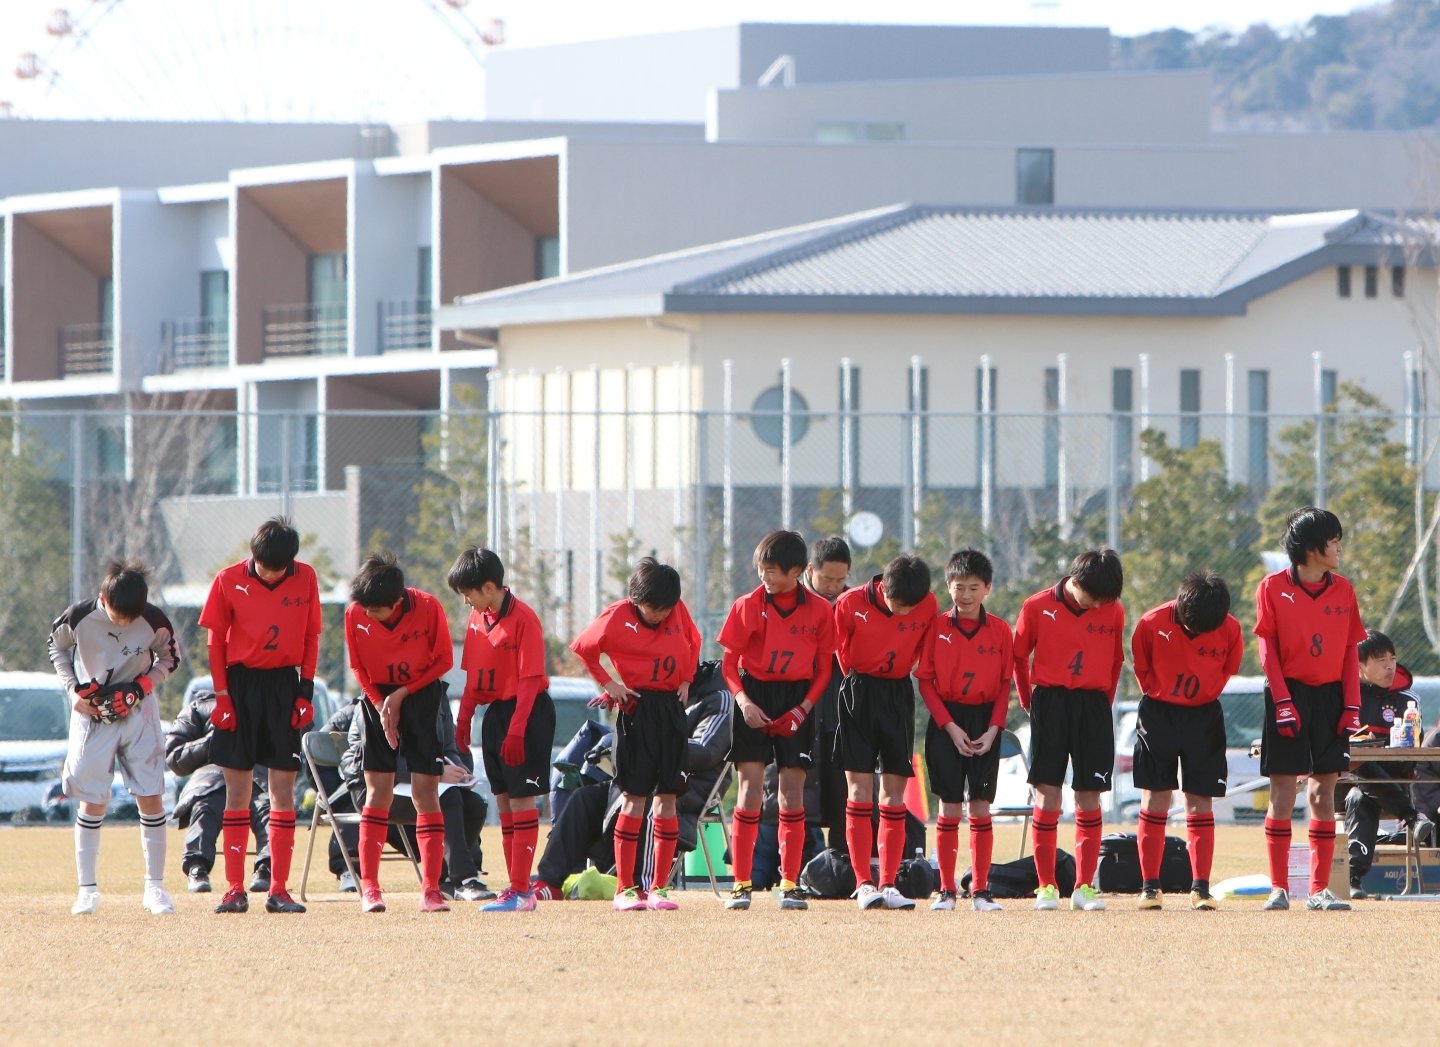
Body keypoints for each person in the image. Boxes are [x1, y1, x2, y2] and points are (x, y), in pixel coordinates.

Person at [200, 515, 322, 914]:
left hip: (283, 689)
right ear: (252, 556)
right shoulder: (227, 579)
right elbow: (216, 641)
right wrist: (222, 696)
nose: (270, 573)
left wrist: (305, 691)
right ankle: (234, 889)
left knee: (282, 792)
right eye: (264, 565)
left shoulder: (306, 578)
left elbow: (310, 636)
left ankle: (279, 889)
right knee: (238, 791)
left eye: (278, 567)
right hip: (239, 686)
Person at [48, 559, 182, 916]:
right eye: (118, 614)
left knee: (151, 795)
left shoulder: (153, 619)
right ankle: (87, 891)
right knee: (93, 799)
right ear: (103, 597)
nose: (125, 622)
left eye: (131, 616)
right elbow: (56, 648)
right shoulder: (78, 617)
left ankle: (155, 888)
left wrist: (141, 687)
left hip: (140, 713)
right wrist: (74, 691)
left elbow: (170, 658)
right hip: (93, 712)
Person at [571, 556, 702, 911]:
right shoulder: (616, 616)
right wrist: (610, 684)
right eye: (652, 607)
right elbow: (584, 649)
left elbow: (694, 639)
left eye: (665, 608)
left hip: (671, 712)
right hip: (637, 710)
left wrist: (688, 679)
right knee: (635, 798)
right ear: (634, 599)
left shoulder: (678, 612)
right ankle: (626, 889)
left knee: (668, 798)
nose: (660, 614)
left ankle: (659, 888)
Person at [533, 666, 731, 896]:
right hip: (644, 779)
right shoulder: (653, 690)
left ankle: (641, 886)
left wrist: (657, 747)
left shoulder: (717, 699)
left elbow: (707, 751)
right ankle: (550, 882)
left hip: (686, 788)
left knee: (649, 804)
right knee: (583, 799)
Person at [1254, 506, 1366, 912]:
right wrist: (1282, 701)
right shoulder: (1271, 587)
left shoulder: (1345, 589)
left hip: (1331, 697)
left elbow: (1351, 650)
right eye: (1332, 541)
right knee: (1282, 791)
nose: (1338, 547)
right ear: (1311, 548)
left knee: (1324, 791)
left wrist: (1352, 705)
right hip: (1289, 694)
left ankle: (1319, 890)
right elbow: (1266, 649)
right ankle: (1278, 888)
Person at [718, 529, 836, 912]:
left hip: (796, 698)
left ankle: (789, 883)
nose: (764, 577)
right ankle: (740, 883)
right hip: (753, 695)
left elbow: (823, 669)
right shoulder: (747, 604)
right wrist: (744, 702)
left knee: (791, 793)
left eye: (772, 571)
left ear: (797, 571)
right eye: (761, 569)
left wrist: (802, 709)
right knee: (750, 789)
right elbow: (729, 665)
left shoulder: (819, 610)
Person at [1013, 548, 1125, 912]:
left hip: (1092, 706)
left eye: (1104, 601)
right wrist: (1028, 699)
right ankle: (1046, 887)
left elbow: (1115, 659)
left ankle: (1083, 887)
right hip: (1050, 703)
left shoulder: (1113, 609)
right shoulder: (1036, 605)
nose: (1098, 606)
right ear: (1075, 582)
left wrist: (1102, 702)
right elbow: (1018, 655)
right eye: (1093, 598)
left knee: (1090, 796)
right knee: (1048, 796)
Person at [344, 552, 455, 913]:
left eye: (377, 611)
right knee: (378, 792)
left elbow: (444, 661)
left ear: (396, 602)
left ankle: (431, 889)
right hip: (377, 699)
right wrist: (380, 705)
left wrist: (402, 694)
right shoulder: (355, 612)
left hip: (421, 697)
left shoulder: (428, 606)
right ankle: (371, 889)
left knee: (426, 791)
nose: (369, 616)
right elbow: (358, 666)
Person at [448, 546, 555, 912]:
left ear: (490, 587)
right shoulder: (478, 620)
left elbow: (529, 681)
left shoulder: (525, 618)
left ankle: (522, 891)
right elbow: (474, 677)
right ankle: (515, 887)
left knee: (523, 800)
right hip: (496, 714)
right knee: (505, 802)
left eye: (468, 594)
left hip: (527, 712)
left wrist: (518, 730)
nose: (466, 602)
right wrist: (464, 718)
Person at [1129, 571, 1243, 911]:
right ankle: (1151, 887)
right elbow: (1142, 669)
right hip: (1158, 716)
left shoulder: (1231, 628)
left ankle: (1201, 888)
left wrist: (1202, 695)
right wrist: (1162, 693)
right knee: (1156, 799)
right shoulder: (1151, 623)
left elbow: (1227, 670)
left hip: (1204, 717)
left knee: (1200, 801)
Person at [833, 554, 937, 911]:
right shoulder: (850, 603)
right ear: (882, 589)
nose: (905, 613)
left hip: (898, 695)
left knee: (895, 792)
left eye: (912, 607)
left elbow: (924, 649)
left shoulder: (928, 604)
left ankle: (889, 882)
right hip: (859, 693)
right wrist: (859, 680)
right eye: (898, 606)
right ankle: (863, 883)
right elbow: (839, 654)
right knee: (860, 790)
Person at [916, 548, 1013, 912]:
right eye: (959, 587)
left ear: (987, 588)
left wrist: (993, 731)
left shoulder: (1002, 631)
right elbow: (926, 682)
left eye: (974, 587)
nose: (966, 595)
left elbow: (1005, 685)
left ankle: (982, 890)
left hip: (985, 721)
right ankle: (946, 890)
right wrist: (949, 727)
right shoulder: (936, 628)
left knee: (981, 807)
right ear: (948, 587)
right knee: (949, 806)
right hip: (947, 721)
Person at [338, 681, 493, 901]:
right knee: (448, 797)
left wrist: (460, 772)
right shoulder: (377, 698)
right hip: (375, 789)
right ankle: (465, 879)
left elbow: (448, 747)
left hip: (425, 784)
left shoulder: (436, 693)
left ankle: (444, 878)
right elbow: (369, 759)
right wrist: (438, 773)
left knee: (475, 804)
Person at [165, 692, 271, 894]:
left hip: (256, 777)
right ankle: (197, 867)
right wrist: (214, 740)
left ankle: (266, 867)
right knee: (204, 808)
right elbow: (174, 757)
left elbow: (290, 744)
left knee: (267, 809)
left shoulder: (267, 702)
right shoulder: (199, 708)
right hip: (211, 778)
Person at [1345, 629, 1422, 899]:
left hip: (1395, 781)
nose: (1390, 665)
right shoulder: (1344, 697)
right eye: (1380, 660)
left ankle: (1353, 879)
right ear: (1359, 666)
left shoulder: (1407, 701)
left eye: (1392, 657)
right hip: (1345, 781)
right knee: (1358, 777)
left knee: (1360, 796)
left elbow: (1413, 751)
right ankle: (1412, 817)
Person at [804, 536, 851, 850]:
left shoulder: (854, 604)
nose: (834, 586)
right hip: (802, 710)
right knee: (799, 792)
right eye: (827, 579)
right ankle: (800, 864)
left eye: (841, 580)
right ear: (810, 570)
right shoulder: (794, 602)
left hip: (841, 711)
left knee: (844, 797)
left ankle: (842, 864)